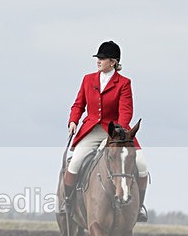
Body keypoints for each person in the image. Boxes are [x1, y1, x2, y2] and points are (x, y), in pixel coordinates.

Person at [60, 41, 149, 222]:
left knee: (142, 165)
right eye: (98, 58)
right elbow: (79, 104)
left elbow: (126, 110)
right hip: (92, 130)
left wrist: (120, 131)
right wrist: (73, 120)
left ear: (113, 62)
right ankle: (67, 203)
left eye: (103, 58)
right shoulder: (88, 79)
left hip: (115, 133)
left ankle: (138, 208)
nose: (98, 61)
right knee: (75, 162)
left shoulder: (124, 83)